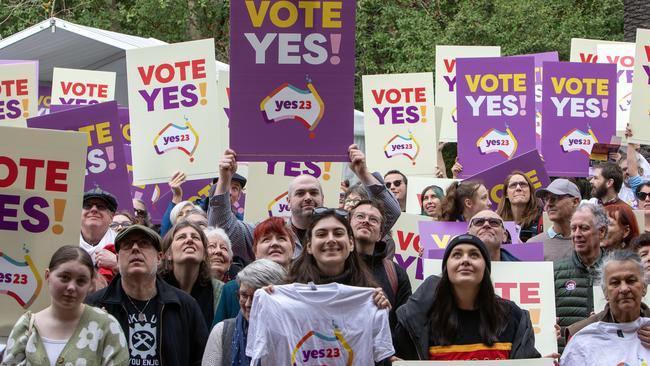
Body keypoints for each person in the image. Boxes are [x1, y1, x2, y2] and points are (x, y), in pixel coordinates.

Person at [207, 145, 401, 265]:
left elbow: (390, 213)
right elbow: (222, 229)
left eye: (314, 192)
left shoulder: (343, 230)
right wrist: (224, 180)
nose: (308, 197)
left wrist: (363, 173)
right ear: (288, 201)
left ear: (323, 199)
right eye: (300, 193)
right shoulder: (268, 232)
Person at [394, 234, 540, 360]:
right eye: (457, 254)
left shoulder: (514, 316)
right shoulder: (420, 320)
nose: (465, 260)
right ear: (446, 268)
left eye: (474, 255)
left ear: (485, 268)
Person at [85, 224, 208, 365]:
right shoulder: (94, 305)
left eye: (144, 243)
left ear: (159, 257)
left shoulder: (185, 305)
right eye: (127, 244)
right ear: (117, 259)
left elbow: (201, 359)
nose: (135, 248)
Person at [4, 246, 128, 365]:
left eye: (81, 281)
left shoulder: (106, 327)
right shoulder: (27, 327)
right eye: (64, 277)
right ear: (48, 275)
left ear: (90, 284)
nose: (71, 287)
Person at [561, 250, 650, 365]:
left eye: (631, 281)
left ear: (644, 287)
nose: (624, 289)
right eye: (615, 283)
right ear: (605, 292)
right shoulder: (583, 339)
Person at [212, 216, 296, 326]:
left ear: (293, 249)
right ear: (255, 251)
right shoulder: (232, 289)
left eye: (281, 238)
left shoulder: (301, 288)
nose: (274, 243)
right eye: (266, 239)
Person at [201, 259, 286, 366]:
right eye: (244, 296)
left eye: (257, 296)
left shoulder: (292, 333)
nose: (248, 304)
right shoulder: (223, 332)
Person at [350, 199, 412, 330]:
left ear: (380, 235)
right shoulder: (332, 266)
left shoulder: (396, 274)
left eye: (373, 220)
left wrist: (386, 313)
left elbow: (403, 326)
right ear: (348, 224)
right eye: (360, 216)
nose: (365, 221)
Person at [554, 202, 608, 352]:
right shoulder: (554, 272)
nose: (577, 234)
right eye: (573, 228)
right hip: (568, 356)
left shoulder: (617, 272)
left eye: (584, 228)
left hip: (607, 355)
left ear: (601, 232)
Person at [159, 220, 223, 328]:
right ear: (168, 254)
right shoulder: (155, 288)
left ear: (204, 254)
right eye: (181, 237)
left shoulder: (220, 291)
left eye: (195, 237)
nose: (189, 240)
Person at [529, 179, 582, 261]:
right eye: (546, 199)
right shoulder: (533, 245)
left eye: (555, 197)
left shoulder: (592, 241)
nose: (548, 204)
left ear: (575, 202)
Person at [80, 187, 119, 282]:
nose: (94, 209)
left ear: (111, 216)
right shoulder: (65, 240)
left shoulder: (122, 243)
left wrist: (117, 263)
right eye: (87, 206)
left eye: (100, 206)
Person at [496, 171, 542, 242]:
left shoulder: (543, 219)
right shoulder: (496, 221)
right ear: (506, 194)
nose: (518, 188)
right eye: (513, 185)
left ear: (530, 192)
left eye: (523, 184)